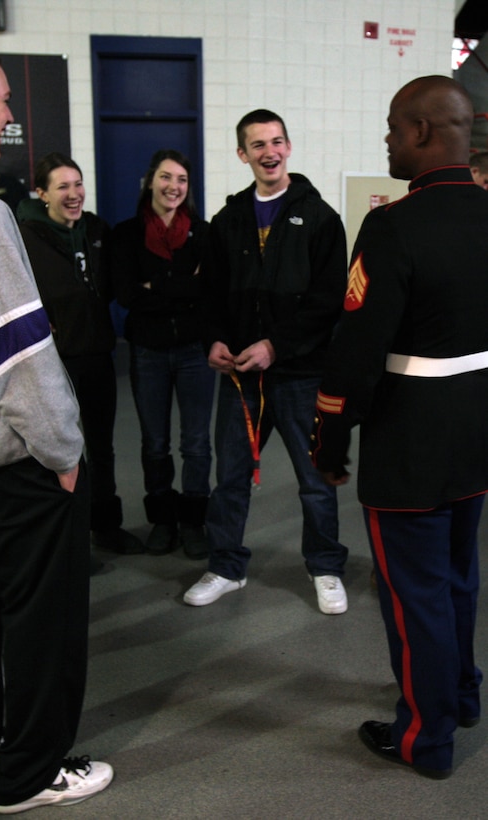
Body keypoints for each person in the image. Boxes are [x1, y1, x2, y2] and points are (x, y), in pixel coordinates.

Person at [0, 35, 113, 814]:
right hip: (11, 466)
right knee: (40, 625)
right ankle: (29, 772)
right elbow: (15, 356)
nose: (10, 114)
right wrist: (65, 452)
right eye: (4, 98)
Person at [311, 75, 488, 779]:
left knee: (414, 592)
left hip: (408, 444)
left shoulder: (391, 226)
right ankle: (463, 694)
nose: (386, 140)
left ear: (420, 131)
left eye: (391, 128)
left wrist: (330, 440)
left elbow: (355, 354)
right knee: (457, 577)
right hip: (475, 438)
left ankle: (425, 737)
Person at [184, 109, 349, 613]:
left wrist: (276, 346)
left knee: (315, 479)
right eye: (257, 145)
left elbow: (327, 302)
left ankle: (325, 567)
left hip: (300, 374)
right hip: (240, 377)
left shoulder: (320, 218)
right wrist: (213, 339)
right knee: (230, 477)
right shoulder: (227, 221)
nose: (269, 152)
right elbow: (207, 294)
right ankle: (226, 567)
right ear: (243, 154)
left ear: (289, 147)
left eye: (277, 142)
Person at [18, 152, 143, 559]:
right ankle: (67, 541)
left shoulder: (95, 229)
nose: (74, 194)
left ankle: (106, 526)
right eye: (62, 186)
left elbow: (107, 287)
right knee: (60, 452)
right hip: (53, 362)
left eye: (78, 184)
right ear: (42, 193)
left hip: (97, 355)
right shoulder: (26, 236)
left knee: (102, 447)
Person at [112, 149, 214, 558]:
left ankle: (193, 521)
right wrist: (180, 284)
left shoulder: (203, 235)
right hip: (148, 352)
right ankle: (163, 520)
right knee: (154, 442)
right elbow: (126, 295)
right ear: (150, 181)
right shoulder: (125, 235)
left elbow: (207, 291)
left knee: (196, 444)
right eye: (167, 178)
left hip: (194, 352)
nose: (174, 187)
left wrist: (157, 286)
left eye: (182, 180)